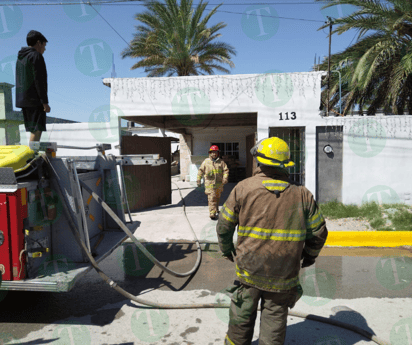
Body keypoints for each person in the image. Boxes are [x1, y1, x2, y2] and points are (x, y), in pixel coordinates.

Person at [216, 137, 328, 345]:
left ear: (260, 161)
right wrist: (308, 257)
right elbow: (319, 233)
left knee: (240, 322)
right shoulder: (302, 194)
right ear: (285, 164)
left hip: (248, 272)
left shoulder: (243, 188)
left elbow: (224, 225)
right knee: (274, 323)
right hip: (283, 275)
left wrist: (226, 248)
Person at [15, 30, 50, 143]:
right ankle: (32, 156)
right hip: (35, 100)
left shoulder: (21, 58)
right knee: (37, 129)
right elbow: (39, 80)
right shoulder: (36, 56)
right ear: (39, 43)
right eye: (44, 45)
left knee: (33, 129)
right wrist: (44, 102)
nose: (45, 48)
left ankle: (31, 154)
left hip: (23, 100)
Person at [197, 145, 230, 220]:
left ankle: (216, 209)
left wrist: (225, 178)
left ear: (218, 153)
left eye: (216, 152)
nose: (214, 154)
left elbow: (226, 170)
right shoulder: (206, 162)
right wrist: (198, 180)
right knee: (212, 198)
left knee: (217, 198)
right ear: (210, 153)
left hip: (219, 185)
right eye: (213, 152)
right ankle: (212, 213)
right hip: (210, 184)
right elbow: (200, 171)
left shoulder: (221, 162)